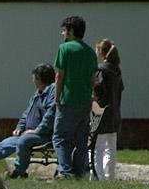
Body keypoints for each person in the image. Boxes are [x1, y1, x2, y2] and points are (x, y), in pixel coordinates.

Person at [0, 64, 57, 178]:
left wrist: (37, 131)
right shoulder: (37, 94)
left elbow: (50, 116)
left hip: (43, 134)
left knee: (24, 141)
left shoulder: (52, 92)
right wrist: (19, 127)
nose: (32, 80)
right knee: (4, 145)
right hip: (28, 133)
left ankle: (18, 172)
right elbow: (26, 114)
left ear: (39, 78)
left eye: (34, 77)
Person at [52, 15, 98, 178]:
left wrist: (56, 98)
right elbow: (93, 79)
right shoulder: (90, 52)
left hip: (68, 100)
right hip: (85, 100)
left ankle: (65, 171)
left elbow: (59, 76)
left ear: (71, 31)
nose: (62, 34)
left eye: (64, 30)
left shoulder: (64, 49)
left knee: (60, 138)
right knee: (81, 139)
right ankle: (79, 172)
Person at [91, 39, 124, 180]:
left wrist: (92, 84)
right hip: (115, 111)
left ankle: (98, 175)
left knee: (97, 146)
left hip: (101, 112)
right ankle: (110, 176)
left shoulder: (101, 69)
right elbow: (121, 88)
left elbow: (98, 90)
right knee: (110, 145)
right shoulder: (117, 70)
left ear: (101, 52)